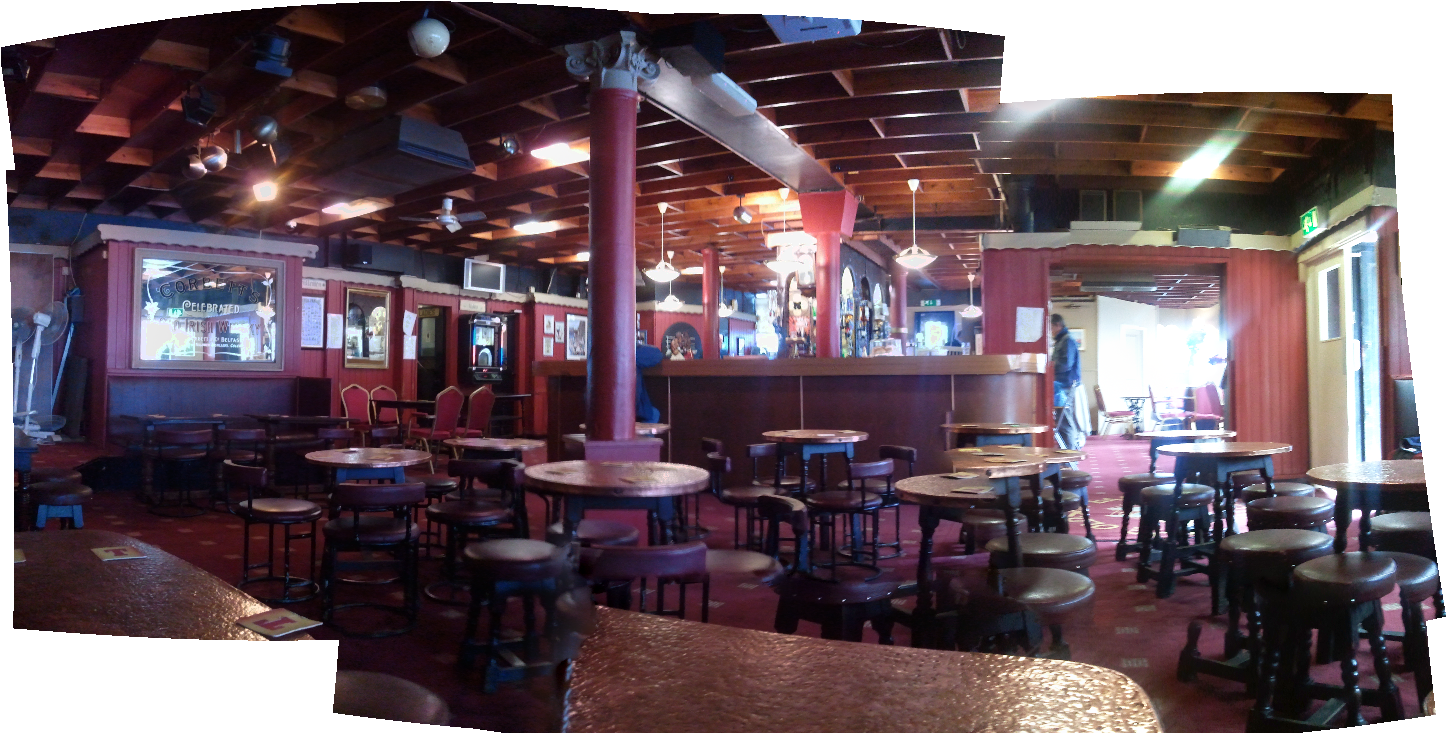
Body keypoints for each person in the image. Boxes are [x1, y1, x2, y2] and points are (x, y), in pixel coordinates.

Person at [1051, 313, 1087, 452]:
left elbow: (1065, 365)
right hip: (1063, 385)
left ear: (1058, 325)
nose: (1050, 331)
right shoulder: (1062, 340)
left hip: (1065, 386)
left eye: (1051, 327)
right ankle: (1067, 453)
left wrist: (1050, 366)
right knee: (1063, 422)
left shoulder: (1067, 341)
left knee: (1065, 422)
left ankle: (1069, 455)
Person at [636, 341, 663, 423]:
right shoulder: (630, 352)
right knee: (652, 415)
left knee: (654, 414)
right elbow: (656, 355)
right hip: (629, 407)